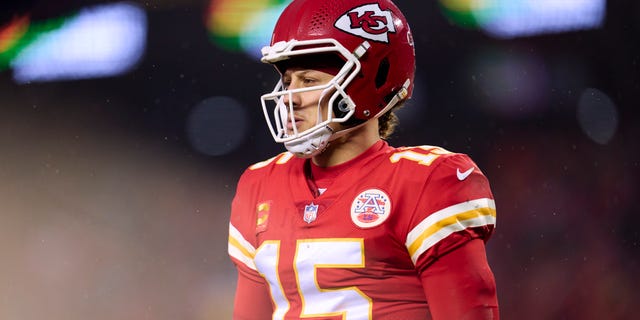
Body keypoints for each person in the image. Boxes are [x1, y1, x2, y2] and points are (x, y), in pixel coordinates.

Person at [227, 0, 499, 319]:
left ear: (370, 80)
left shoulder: (426, 181)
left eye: (309, 80)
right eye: (288, 82)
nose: (291, 98)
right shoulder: (260, 184)